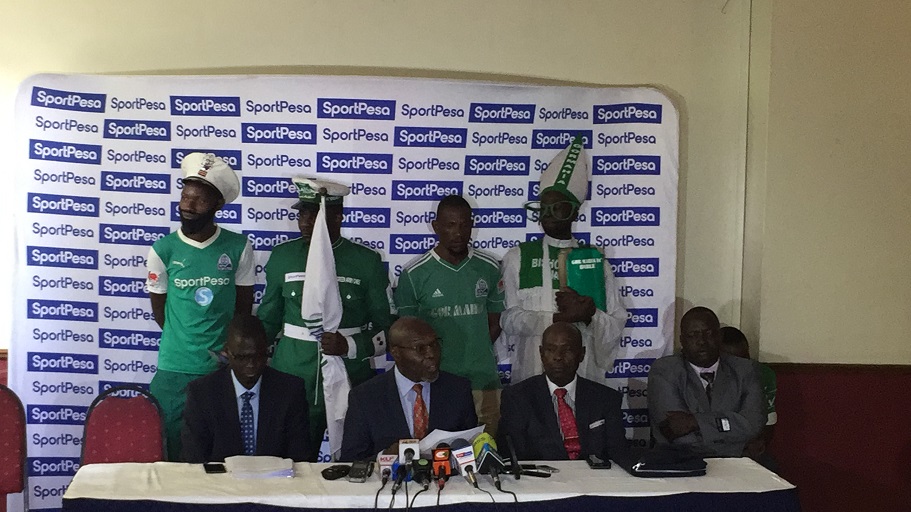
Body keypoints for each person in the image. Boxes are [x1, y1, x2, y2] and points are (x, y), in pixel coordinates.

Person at [257, 176, 394, 455]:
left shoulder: (366, 261)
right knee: (290, 461)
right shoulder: (282, 257)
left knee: (355, 460)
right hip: (293, 378)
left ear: (338, 216)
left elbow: (387, 326)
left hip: (351, 378)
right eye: (302, 213)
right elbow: (268, 319)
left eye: (314, 213)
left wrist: (352, 346)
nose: (305, 221)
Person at [147, 152, 254, 460]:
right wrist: (186, 343)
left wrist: (224, 351)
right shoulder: (163, 250)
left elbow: (243, 310)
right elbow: (160, 312)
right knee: (170, 451)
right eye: (184, 197)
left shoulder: (239, 247)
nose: (188, 207)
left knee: (218, 453)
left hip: (220, 370)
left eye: (199, 201)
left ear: (218, 205)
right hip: (173, 369)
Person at [500, 136, 626, 384]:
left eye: (557, 207)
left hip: (584, 375)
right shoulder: (518, 257)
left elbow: (616, 320)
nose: (548, 214)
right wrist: (557, 319)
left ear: (574, 211)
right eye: (544, 207)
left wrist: (590, 314)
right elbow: (508, 319)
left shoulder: (594, 261)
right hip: (531, 377)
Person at [394, 195, 504, 434]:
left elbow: (494, 323)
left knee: (488, 454)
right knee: (441, 458)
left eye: (464, 224)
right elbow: (406, 334)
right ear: (436, 226)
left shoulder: (490, 267)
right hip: (437, 384)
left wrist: (473, 352)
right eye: (450, 225)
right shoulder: (414, 274)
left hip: (483, 382)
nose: (458, 232)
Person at [340, 317, 478, 462]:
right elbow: (350, 461)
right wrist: (387, 456)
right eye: (420, 349)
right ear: (396, 353)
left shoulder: (458, 390)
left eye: (434, 345)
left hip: (447, 482)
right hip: (390, 482)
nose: (431, 354)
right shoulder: (365, 397)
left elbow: (468, 450)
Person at [498, 322, 634, 467]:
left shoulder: (605, 399)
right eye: (550, 350)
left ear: (581, 354)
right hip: (540, 482)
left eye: (567, 350)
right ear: (541, 354)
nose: (558, 357)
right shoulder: (517, 397)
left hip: (595, 483)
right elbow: (511, 454)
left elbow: (618, 452)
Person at [181, 315, 311, 462]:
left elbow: (299, 457)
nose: (251, 364)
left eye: (259, 356)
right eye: (242, 357)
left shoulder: (290, 391)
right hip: (221, 482)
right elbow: (194, 459)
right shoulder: (202, 393)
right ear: (227, 352)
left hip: (275, 481)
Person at [647, 307, 765, 457]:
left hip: (739, 467)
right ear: (682, 340)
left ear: (719, 336)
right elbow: (677, 435)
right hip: (682, 462)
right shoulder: (664, 371)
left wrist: (694, 421)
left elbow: (752, 424)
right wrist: (738, 448)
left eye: (708, 334)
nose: (701, 341)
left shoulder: (745, 370)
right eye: (693, 335)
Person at [721, 326, 778, 469]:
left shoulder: (763, 374)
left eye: (745, 359)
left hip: (748, 444)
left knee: (769, 466)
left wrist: (758, 443)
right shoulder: (706, 375)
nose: (742, 367)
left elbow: (768, 422)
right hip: (715, 445)